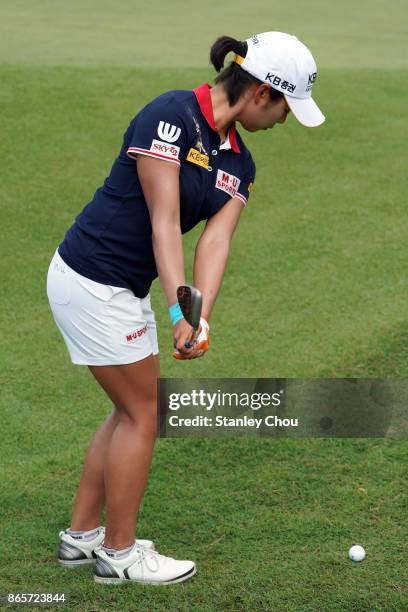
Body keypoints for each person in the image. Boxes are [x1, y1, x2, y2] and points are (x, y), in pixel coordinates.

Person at [46, 31, 325, 586]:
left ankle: (83, 537)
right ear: (262, 93)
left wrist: (200, 314)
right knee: (144, 414)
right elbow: (163, 221)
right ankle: (119, 555)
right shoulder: (170, 115)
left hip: (117, 288)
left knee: (131, 409)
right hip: (92, 279)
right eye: (287, 107)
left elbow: (215, 242)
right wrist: (178, 312)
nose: (285, 121)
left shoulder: (239, 164)